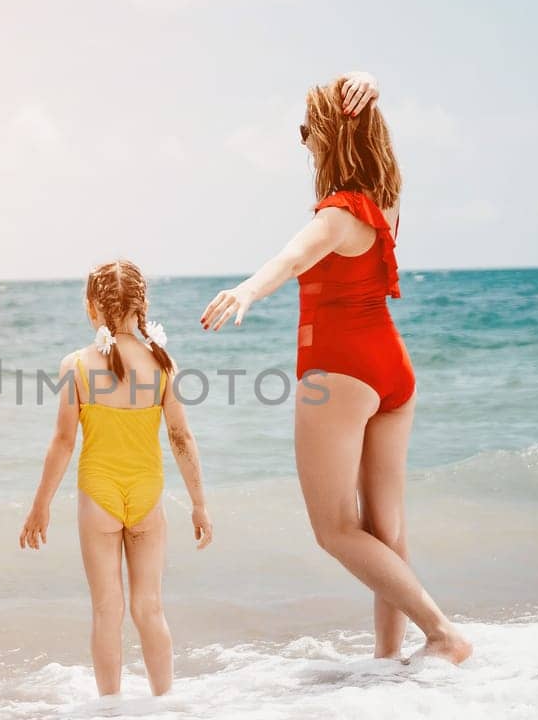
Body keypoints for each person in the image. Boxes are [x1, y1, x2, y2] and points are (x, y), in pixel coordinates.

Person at [200, 74, 472, 664]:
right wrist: (370, 97)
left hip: (340, 371)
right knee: (385, 528)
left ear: (326, 137)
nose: (304, 144)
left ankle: (443, 633)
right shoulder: (387, 206)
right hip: (393, 369)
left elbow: (288, 259)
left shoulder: (335, 215)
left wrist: (246, 292)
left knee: (335, 530)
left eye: (307, 132)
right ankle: (389, 660)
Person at [20, 260, 214, 695]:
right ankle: (165, 703)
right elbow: (181, 437)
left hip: (98, 496)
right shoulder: (163, 365)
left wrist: (40, 506)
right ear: (142, 306)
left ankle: (110, 711)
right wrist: (200, 504)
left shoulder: (76, 365)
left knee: (107, 609)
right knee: (150, 607)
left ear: (93, 308)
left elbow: (63, 442)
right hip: (147, 495)